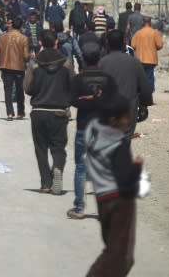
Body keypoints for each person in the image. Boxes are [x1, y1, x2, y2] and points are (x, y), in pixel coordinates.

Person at [84, 92, 143, 277]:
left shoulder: (95, 135)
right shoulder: (117, 142)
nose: (129, 119)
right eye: (126, 115)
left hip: (102, 199)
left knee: (113, 250)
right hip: (119, 202)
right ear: (113, 119)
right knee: (119, 256)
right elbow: (125, 182)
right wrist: (137, 167)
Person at [68, 43, 116, 220]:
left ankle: (79, 208)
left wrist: (87, 99)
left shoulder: (79, 79)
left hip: (83, 128)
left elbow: (73, 100)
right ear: (99, 58)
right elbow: (112, 102)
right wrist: (98, 99)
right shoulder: (108, 80)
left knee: (80, 167)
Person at [24, 29, 74, 195]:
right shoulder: (66, 63)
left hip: (39, 111)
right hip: (59, 111)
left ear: (40, 43)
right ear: (56, 43)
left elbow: (27, 88)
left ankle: (46, 184)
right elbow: (72, 85)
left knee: (41, 148)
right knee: (58, 147)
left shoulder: (35, 63)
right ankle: (58, 167)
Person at [99, 30, 152, 137]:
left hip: (108, 110)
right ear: (123, 43)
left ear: (108, 43)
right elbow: (144, 87)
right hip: (128, 110)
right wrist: (145, 104)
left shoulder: (102, 63)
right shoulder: (134, 62)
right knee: (125, 140)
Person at [0, 15, 29, 120]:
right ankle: (21, 112)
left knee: (8, 90)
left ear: (12, 25)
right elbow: (26, 56)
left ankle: (9, 113)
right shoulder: (24, 38)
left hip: (5, 66)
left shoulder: (3, 37)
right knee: (19, 90)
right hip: (19, 67)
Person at [131, 16, 164, 93]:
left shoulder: (138, 33)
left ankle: (141, 92)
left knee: (140, 77)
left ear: (143, 22)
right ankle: (149, 93)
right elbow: (159, 45)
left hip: (140, 59)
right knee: (150, 77)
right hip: (151, 60)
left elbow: (133, 45)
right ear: (150, 23)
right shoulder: (155, 32)